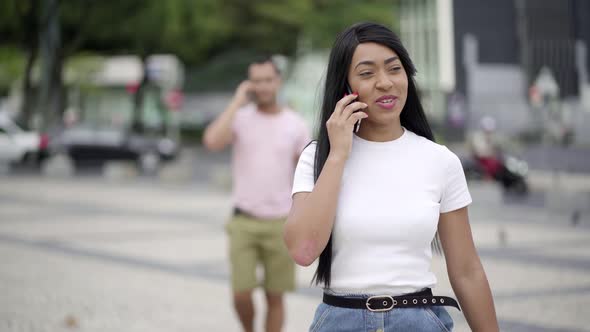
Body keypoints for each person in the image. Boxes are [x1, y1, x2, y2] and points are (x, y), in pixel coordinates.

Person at [284, 22, 499, 331]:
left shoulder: (439, 161)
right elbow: (302, 250)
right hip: (340, 321)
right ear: (345, 87)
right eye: (367, 73)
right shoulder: (317, 158)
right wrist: (339, 155)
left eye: (394, 69)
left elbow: (467, 271)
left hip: (418, 321)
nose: (385, 83)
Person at [203, 56, 310, 332]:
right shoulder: (240, 119)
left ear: (278, 82)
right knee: (241, 293)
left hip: (281, 223)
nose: (262, 86)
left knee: (275, 296)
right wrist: (237, 101)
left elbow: (306, 176)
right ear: (249, 83)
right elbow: (212, 141)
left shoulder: (295, 124)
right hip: (244, 221)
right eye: (256, 81)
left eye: (267, 80)